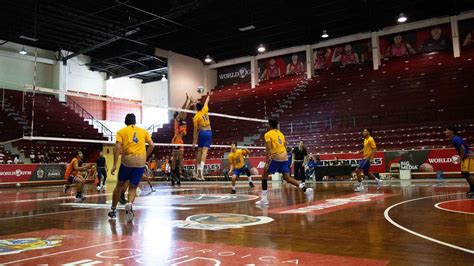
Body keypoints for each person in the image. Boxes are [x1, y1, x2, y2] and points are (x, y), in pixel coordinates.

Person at [108, 113, 155, 222]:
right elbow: (152, 145)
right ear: (135, 121)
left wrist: (114, 164)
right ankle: (129, 204)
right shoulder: (143, 131)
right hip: (140, 161)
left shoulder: (121, 131)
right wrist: (145, 156)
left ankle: (113, 210)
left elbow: (117, 147)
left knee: (119, 185)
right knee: (133, 187)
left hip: (127, 160)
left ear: (125, 122)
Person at [256, 119, 313, 205]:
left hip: (276, 157)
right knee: (287, 178)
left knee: (264, 176)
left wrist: (267, 162)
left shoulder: (267, 134)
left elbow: (268, 149)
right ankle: (306, 189)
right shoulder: (281, 134)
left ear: (269, 125)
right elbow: (285, 146)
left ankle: (264, 200)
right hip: (284, 157)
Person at [171, 94, 194, 186]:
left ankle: (183, 172)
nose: (183, 114)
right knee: (175, 158)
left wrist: (190, 103)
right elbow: (182, 109)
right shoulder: (177, 119)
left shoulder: (183, 119)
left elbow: (185, 111)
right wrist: (186, 100)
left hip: (181, 141)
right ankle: (173, 174)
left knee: (180, 159)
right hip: (176, 140)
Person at [446, 126, 473, 198]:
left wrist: (461, 157)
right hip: (466, 156)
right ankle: (472, 189)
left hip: (468, 156)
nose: (445, 132)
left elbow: (462, 148)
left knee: (465, 173)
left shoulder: (455, 138)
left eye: (447, 130)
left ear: (451, 131)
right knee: (465, 173)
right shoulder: (454, 138)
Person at [192, 92, 212, 181]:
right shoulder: (204, 110)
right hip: (208, 132)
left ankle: (197, 173)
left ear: (196, 108)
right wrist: (209, 95)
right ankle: (201, 172)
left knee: (199, 153)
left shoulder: (195, 117)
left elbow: (195, 131)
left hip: (201, 133)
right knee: (204, 152)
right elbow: (206, 102)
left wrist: (194, 142)